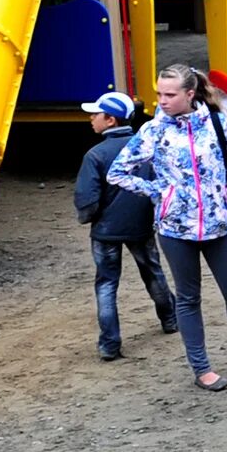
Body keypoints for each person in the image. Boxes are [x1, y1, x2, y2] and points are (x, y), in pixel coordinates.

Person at [109, 63, 227, 391]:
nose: (161, 101)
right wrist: (160, 193)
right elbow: (118, 172)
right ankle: (201, 368)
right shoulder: (153, 131)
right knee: (188, 298)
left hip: (219, 226)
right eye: (159, 94)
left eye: (169, 94)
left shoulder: (217, 124)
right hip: (175, 230)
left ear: (189, 94)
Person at [76, 91, 176, 358]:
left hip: (105, 231)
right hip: (140, 224)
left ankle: (110, 344)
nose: (91, 118)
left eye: (95, 114)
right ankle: (170, 319)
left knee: (107, 283)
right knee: (152, 271)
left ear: (110, 120)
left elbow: (87, 200)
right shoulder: (144, 147)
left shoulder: (95, 155)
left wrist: (90, 218)